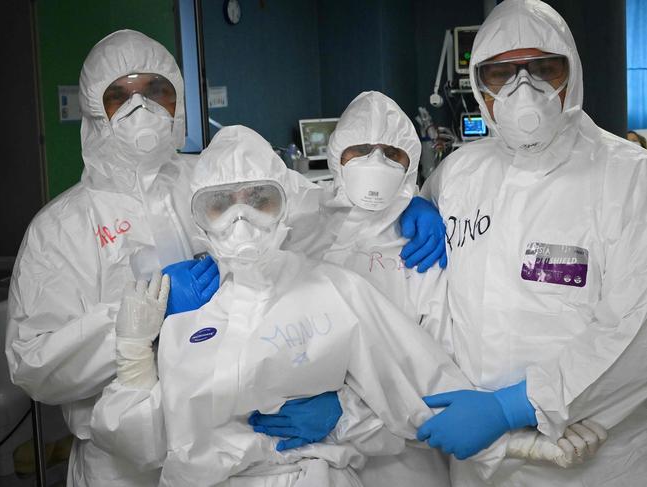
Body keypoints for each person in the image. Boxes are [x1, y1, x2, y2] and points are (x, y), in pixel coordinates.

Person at [89, 125, 485, 486]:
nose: (239, 220)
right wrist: (134, 359)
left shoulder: (334, 290)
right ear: (198, 217)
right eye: (219, 204)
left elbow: (422, 391)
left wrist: (346, 418)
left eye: (259, 199)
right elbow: (137, 444)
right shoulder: (186, 308)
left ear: (285, 204)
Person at [251, 90, 606, 484]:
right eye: (361, 149)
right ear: (336, 154)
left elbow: (434, 367)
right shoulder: (299, 231)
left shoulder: (419, 251)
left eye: (392, 153)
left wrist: (348, 412)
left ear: (411, 162)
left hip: (400, 458)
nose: (376, 162)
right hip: (300, 451)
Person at [412, 0, 647, 485]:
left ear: (572, 73)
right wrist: (408, 204)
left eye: (543, 69)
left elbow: (635, 331)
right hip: (479, 458)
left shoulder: (629, 178)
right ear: (479, 85)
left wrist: (515, 405)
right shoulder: (459, 171)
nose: (525, 90)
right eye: (502, 74)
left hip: (589, 460)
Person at [5, 30, 219, 486]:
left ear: (177, 99)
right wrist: (135, 320)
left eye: (155, 91)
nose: (139, 108)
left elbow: (302, 224)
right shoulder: (62, 227)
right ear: (93, 112)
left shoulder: (213, 179)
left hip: (226, 441)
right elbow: (33, 364)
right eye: (118, 96)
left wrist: (403, 202)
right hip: (120, 466)